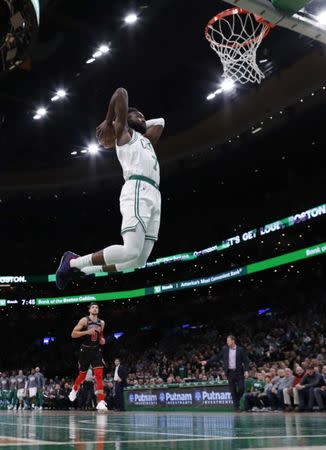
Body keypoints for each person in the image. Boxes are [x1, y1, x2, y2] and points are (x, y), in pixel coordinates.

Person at [56, 87, 165, 290]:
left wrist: (139, 121)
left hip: (154, 194)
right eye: (137, 115)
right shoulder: (124, 135)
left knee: (138, 261)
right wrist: (110, 122)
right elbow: (121, 93)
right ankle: (72, 262)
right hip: (137, 188)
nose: (142, 119)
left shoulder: (146, 140)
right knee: (131, 250)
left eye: (143, 117)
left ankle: (84, 270)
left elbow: (160, 121)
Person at [68, 303, 107, 410]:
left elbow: (101, 336)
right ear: (89, 310)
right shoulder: (84, 320)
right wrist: (86, 332)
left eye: (97, 307)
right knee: (82, 376)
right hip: (85, 350)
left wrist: (102, 340)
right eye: (93, 307)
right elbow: (73, 334)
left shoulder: (102, 322)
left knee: (99, 375)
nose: (95, 308)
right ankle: (74, 389)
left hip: (96, 350)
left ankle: (101, 401)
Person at [201, 335, 249, 412]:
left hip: (239, 372)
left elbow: (246, 361)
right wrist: (207, 361)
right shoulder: (225, 349)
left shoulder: (240, 350)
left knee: (241, 388)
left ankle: (237, 399)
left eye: (228, 340)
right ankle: (237, 408)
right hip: (230, 372)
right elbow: (217, 357)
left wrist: (246, 370)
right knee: (233, 390)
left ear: (233, 341)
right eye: (227, 341)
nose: (227, 342)